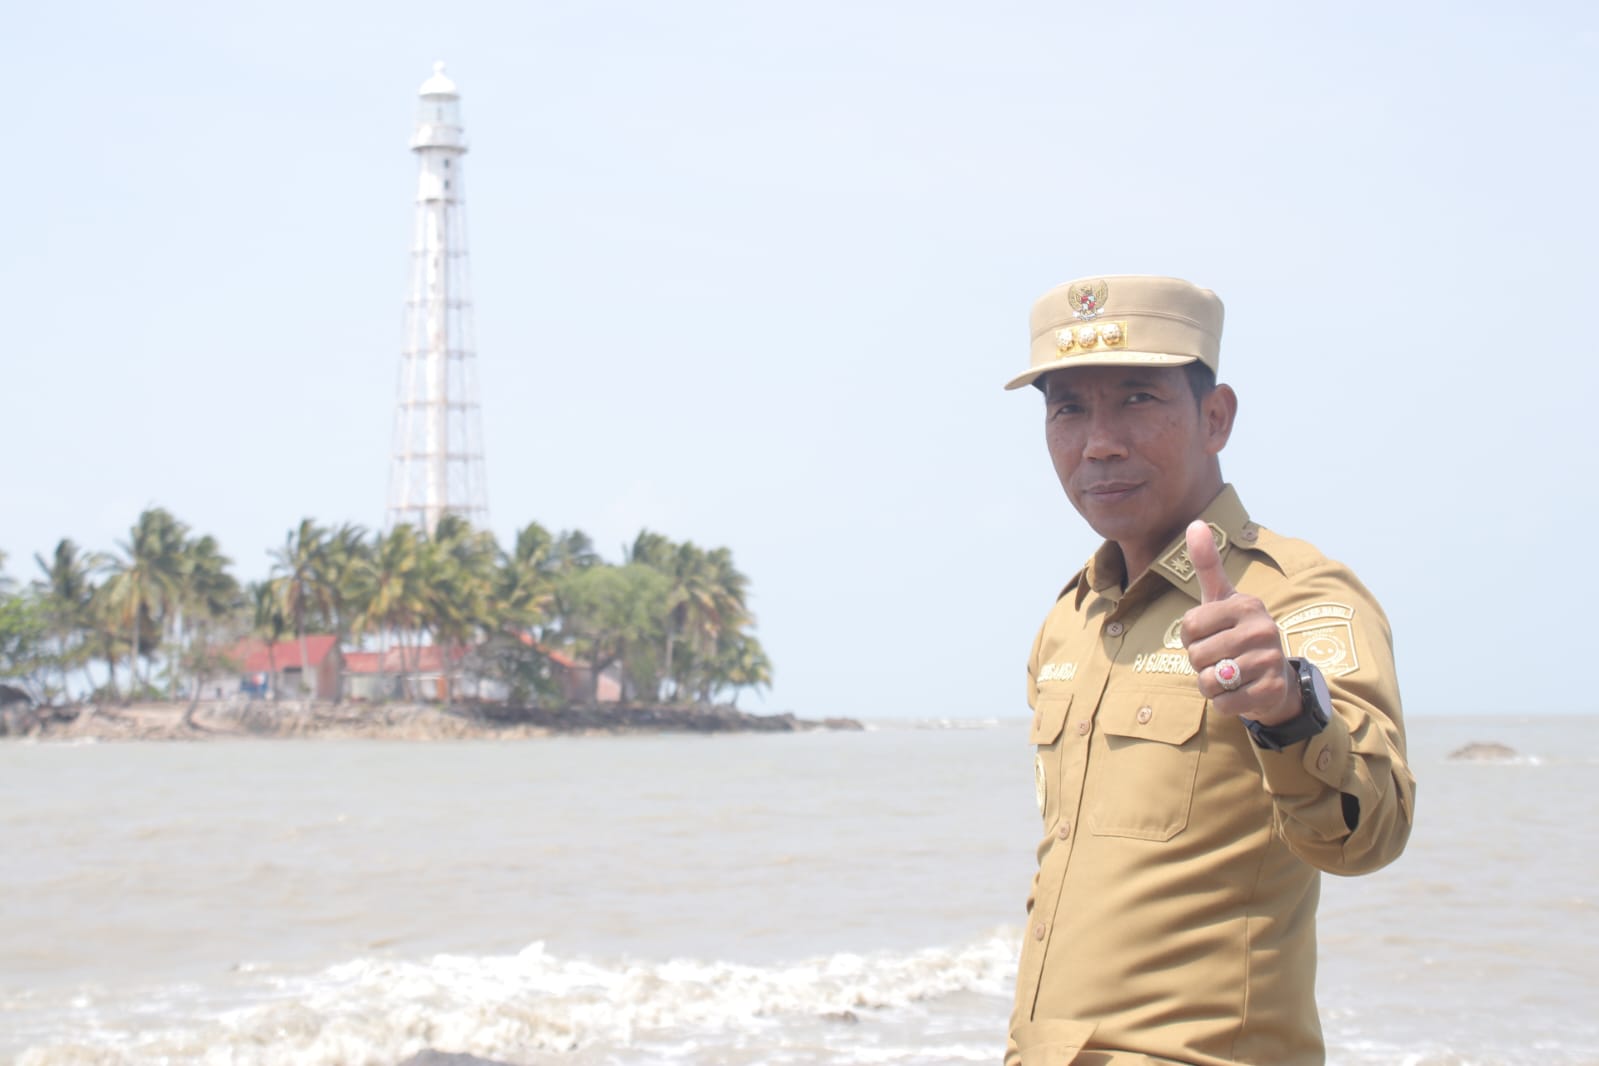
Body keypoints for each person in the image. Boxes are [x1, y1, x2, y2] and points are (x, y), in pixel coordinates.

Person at [1001, 276, 1415, 1066]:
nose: (1099, 442)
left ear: (1214, 417)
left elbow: (1373, 834)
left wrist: (1288, 708)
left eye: (1136, 399)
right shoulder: (1069, 620)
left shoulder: (1294, 596)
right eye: (1068, 410)